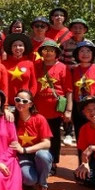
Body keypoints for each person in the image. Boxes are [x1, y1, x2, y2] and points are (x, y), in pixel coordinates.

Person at [33, 40, 73, 174]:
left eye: (51, 50)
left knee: (54, 137)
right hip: (38, 109)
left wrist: (68, 110)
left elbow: (68, 90)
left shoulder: (62, 67)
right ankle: (38, 161)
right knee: (38, 136)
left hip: (55, 110)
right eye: (45, 50)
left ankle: (53, 163)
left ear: (56, 53)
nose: (48, 53)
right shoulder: (36, 66)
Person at [12, 89, 52, 190]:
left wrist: (25, 150)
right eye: (18, 100)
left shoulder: (39, 119)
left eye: (24, 101)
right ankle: (33, 179)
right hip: (23, 157)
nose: (20, 103)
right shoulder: (12, 118)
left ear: (30, 104)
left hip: (35, 153)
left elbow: (47, 143)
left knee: (43, 155)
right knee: (29, 180)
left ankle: (42, 185)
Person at [69, 41, 95, 155]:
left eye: (88, 51)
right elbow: (69, 90)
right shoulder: (72, 70)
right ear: (77, 54)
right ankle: (82, 165)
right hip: (79, 108)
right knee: (81, 137)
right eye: (82, 51)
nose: (85, 54)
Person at [2, 33, 37, 102]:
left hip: (24, 102)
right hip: (7, 103)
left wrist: (29, 99)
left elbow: (34, 85)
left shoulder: (30, 64)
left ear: (24, 48)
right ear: (11, 48)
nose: (17, 48)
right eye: (14, 45)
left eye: (20, 45)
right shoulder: (3, 64)